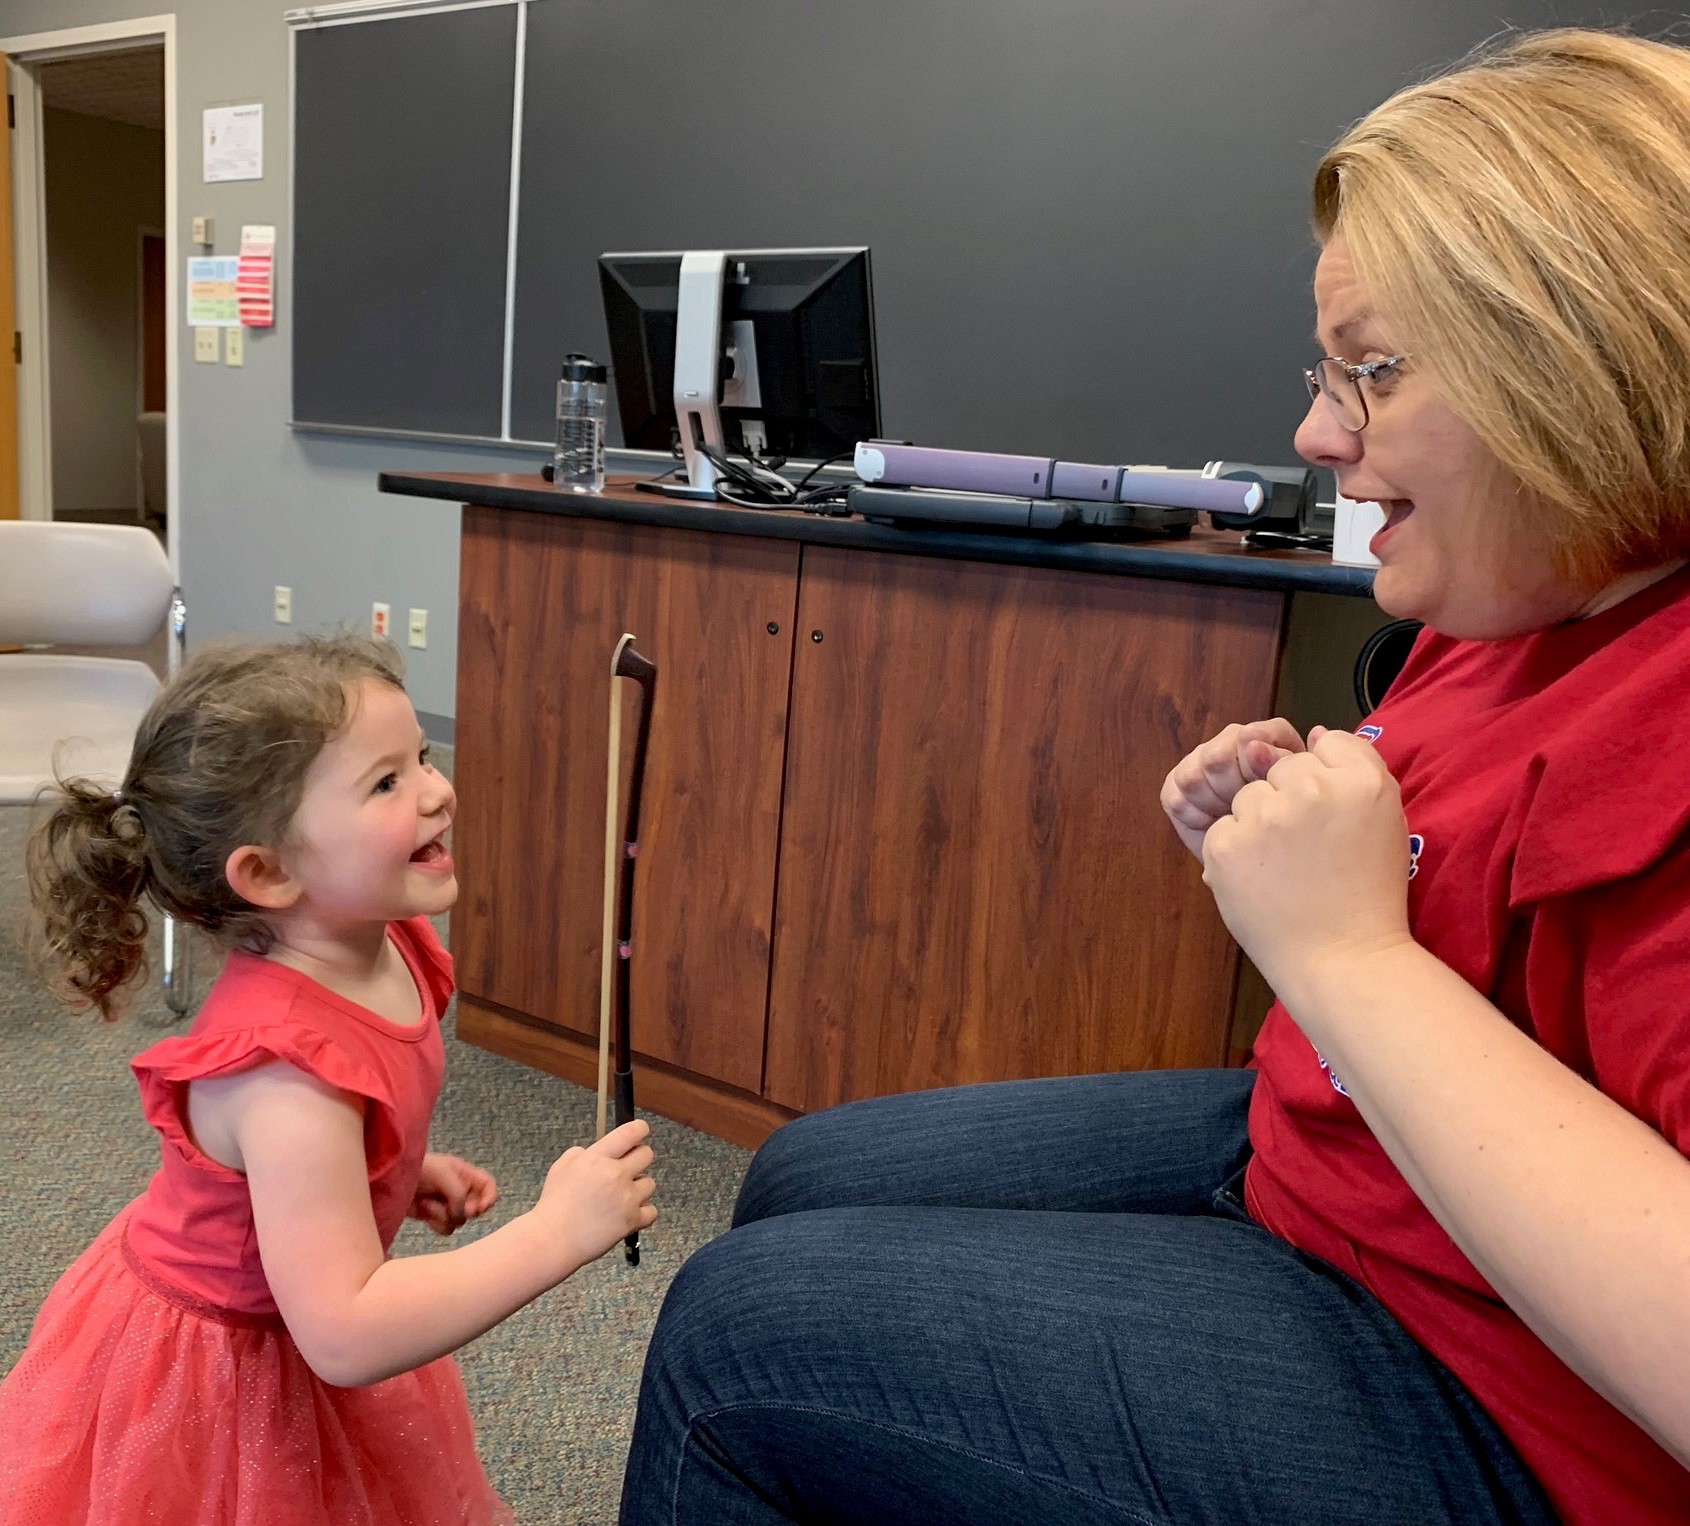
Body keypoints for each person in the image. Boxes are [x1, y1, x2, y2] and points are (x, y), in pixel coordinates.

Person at [617, 27, 1690, 1526]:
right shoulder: (1526, 589)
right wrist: (1292, 815)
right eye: (1324, 374)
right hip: (1336, 1172)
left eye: (1371, 374)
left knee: (740, 1340)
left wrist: (1341, 951)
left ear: (1593, 365)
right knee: (800, 1172)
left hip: (1511, 1409)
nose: (1318, 435)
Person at [0, 635, 658, 1526]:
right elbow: (346, 1332)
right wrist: (556, 1233)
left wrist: (388, 1167)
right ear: (268, 873)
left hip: (295, 1306)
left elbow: (337, 1129)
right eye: (385, 782)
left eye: (420, 756)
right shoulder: (282, 1077)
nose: (437, 789)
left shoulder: (386, 943)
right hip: (230, 1374)